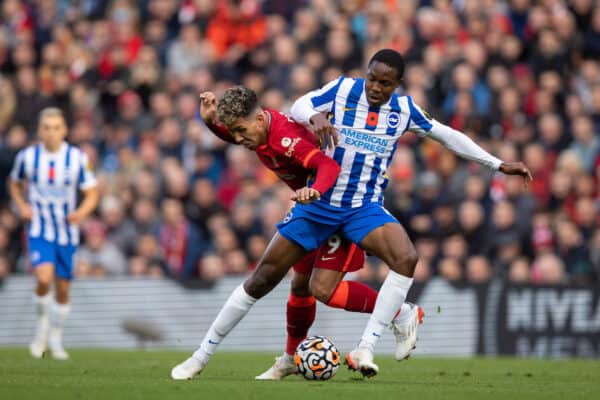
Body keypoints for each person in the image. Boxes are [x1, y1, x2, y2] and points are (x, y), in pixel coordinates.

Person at [171, 49, 530, 380]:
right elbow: (301, 104)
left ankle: (379, 333)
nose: (375, 87)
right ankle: (223, 356)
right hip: (317, 208)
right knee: (281, 283)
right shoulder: (342, 90)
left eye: (384, 83)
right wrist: (314, 115)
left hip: (360, 207)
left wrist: (497, 164)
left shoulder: (404, 111)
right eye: (372, 78)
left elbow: (448, 136)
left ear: (397, 85)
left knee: (399, 259)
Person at [188, 88, 421, 380]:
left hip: (336, 206)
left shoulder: (286, 139)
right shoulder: (257, 131)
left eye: (240, 131)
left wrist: (315, 190)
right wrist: (210, 122)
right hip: (313, 207)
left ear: (258, 120)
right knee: (297, 285)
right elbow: (237, 132)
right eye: (234, 132)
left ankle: (400, 312)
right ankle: (288, 358)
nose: (237, 139)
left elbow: (327, 165)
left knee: (322, 290)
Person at [8, 107, 99, 360]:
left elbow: (92, 192)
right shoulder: (27, 157)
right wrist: (22, 206)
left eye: (56, 128)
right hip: (39, 230)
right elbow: (14, 183)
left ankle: (55, 338)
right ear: (39, 130)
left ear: (65, 130)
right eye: (46, 128)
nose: (51, 133)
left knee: (62, 288)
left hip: (67, 233)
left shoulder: (77, 158)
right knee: (43, 277)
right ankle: (40, 332)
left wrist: (80, 213)